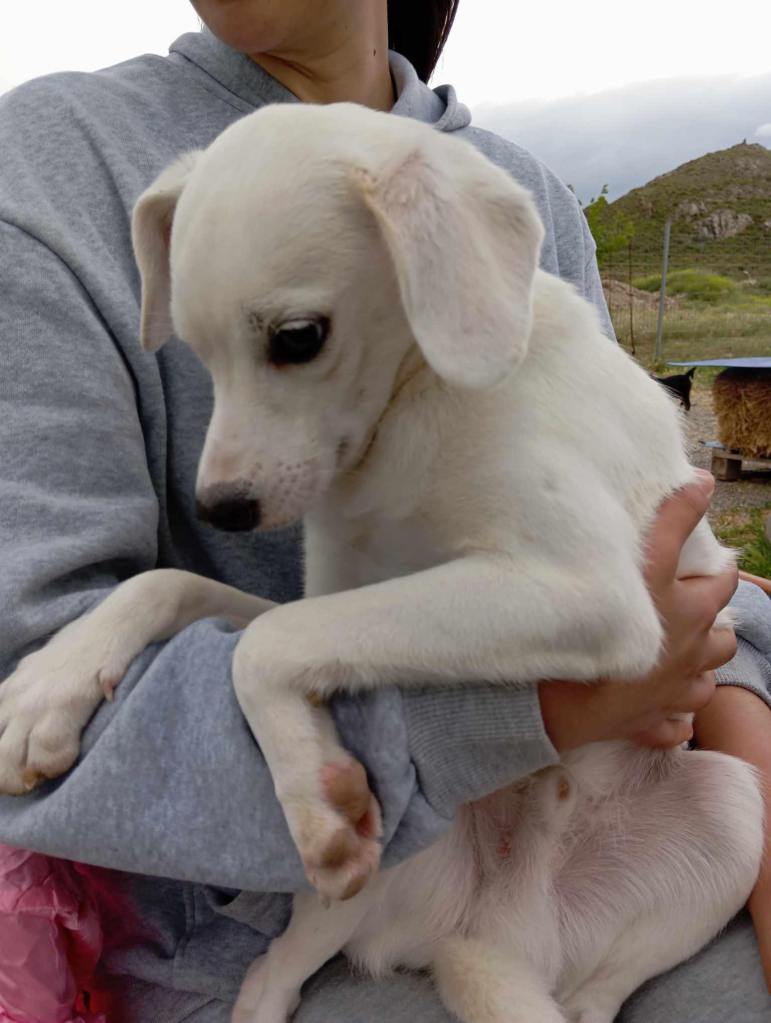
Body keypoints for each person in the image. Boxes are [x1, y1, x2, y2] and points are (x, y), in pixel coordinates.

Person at [0, 2, 769, 1019]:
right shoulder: (56, 169)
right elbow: (349, 640)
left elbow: (673, 598)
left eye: (296, 340)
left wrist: (750, 787)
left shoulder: (512, 200)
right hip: (311, 898)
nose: (221, 476)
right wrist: (188, 618)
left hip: (607, 834)